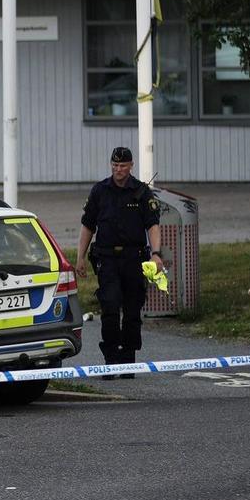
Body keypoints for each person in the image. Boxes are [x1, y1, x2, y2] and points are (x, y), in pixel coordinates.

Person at [75, 147, 165, 374]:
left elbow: (152, 225)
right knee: (110, 307)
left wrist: (156, 254)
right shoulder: (100, 191)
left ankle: (128, 358)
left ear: (131, 165)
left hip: (133, 258)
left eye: (123, 166)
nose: (118, 170)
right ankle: (111, 358)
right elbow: (88, 225)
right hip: (107, 259)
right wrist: (80, 258)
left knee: (133, 311)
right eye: (114, 166)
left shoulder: (141, 192)